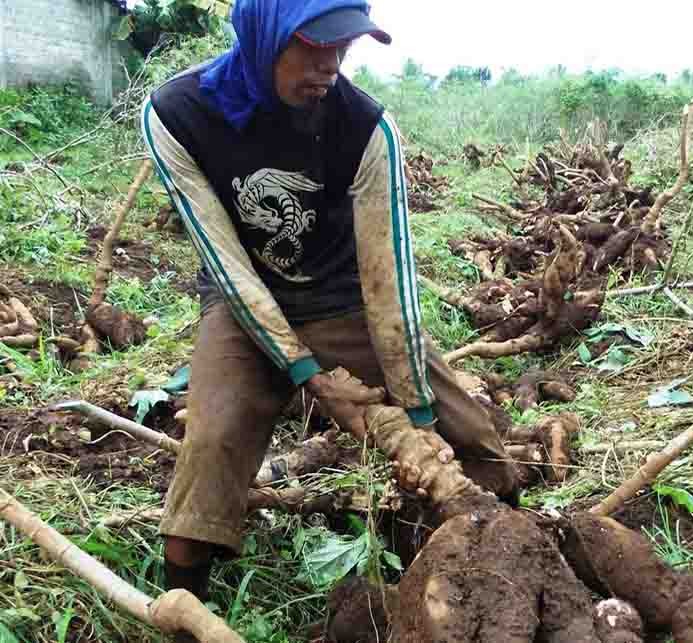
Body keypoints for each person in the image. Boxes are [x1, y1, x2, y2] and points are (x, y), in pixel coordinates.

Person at [140, 0, 518, 633]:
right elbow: (226, 262)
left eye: (343, 50)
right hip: (243, 298)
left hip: (343, 296)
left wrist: (417, 416)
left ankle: (504, 545)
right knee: (213, 433)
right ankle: (185, 596)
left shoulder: (365, 128)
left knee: (467, 429)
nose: (330, 68)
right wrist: (307, 373)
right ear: (264, 35)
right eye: (314, 48)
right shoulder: (177, 115)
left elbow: (387, 282)